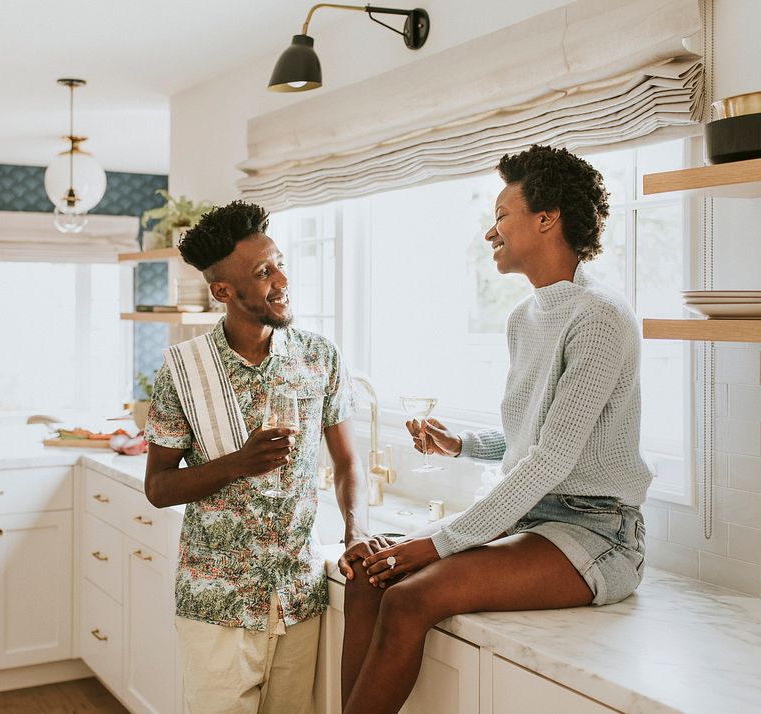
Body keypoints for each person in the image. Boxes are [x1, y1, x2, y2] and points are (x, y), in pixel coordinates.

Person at [338, 145, 653, 714]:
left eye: (502, 215)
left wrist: (433, 544)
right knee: (367, 576)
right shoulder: (524, 318)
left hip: (597, 535)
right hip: (533, 524)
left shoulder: (601, 318)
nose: (491, 232)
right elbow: (536, 439)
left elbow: (553, 461)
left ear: (546, 218)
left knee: (410, 599)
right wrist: (464, 444)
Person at [143, 200, 369, 714]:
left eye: (280, 262)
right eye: (264, 271)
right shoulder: (184, 370)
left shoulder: (319, 357)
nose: (282, 278)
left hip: (297, 595)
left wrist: (356, 532)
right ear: (223, 291)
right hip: (216, 602)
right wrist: (236, 463)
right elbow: (157, 488)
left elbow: (349, 462)